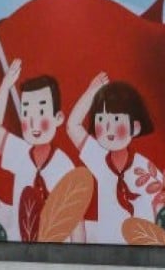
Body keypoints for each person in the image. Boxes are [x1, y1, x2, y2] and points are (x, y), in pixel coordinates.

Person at [0, 58, 76, 241]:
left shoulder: (64, 165)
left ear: (58, 117)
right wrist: (5, 87)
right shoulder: (20, 152)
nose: (33, 122)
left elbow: (75, 218)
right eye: (27, 113)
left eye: (41, 112)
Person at [67, 74, 158, 244]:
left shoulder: (145, 169)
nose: (108, 128)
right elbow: (72, 126)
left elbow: (161, 208)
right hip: (107, 247)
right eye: (101, 119)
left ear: (135, 127)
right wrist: (92, 91)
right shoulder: (100, 159)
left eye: (116, 119)